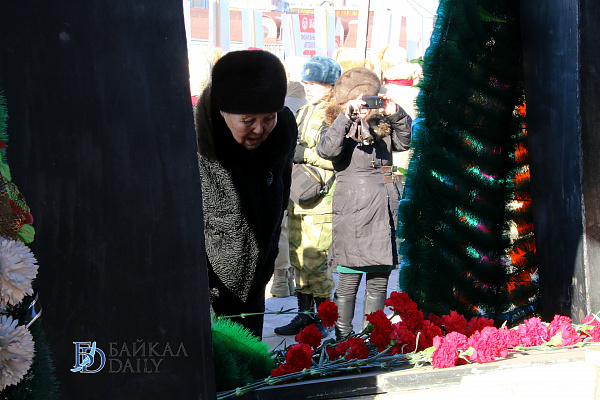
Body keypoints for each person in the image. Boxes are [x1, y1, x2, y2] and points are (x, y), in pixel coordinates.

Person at [194, 50, 297, 339]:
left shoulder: (282, 132)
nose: (259, 129)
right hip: (206, 289)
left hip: (255, 280)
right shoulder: (193, 141)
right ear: (222, 111)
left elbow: (282, 192)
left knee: (249, 355)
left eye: (268, 118)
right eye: (248, 119)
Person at [316, 67, 412, 340]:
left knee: (379, 281)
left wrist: (396, 113)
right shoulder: (336, 122)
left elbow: (405, 142)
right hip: (353, 208)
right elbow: (327, 151)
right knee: (348, 280)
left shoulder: (383, 123)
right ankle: (343, 339)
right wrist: (346, 118)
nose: (365, 105)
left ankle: (371, 339)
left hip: (384, 205)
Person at [274, 56, 342, 337]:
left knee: (316, 262)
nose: (308, 87)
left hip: (321, 201)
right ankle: (304, 315)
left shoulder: (335, 114)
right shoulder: (303, 111)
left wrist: (305, 154)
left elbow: (339, 157)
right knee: (298, 259)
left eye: (314, 82)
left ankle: (325, 321)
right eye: (306, 82)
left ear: (330, 85)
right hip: (298, 197)